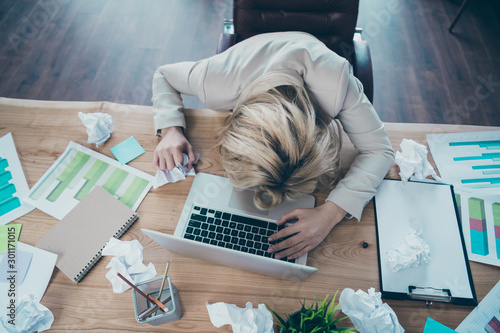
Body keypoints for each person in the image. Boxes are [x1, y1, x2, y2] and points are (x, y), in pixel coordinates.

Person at [152, 32, 394, 261]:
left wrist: (331, 212)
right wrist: (170, 129)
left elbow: (380, 150)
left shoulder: (337, 80)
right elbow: (163, 75)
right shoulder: (215, 81)